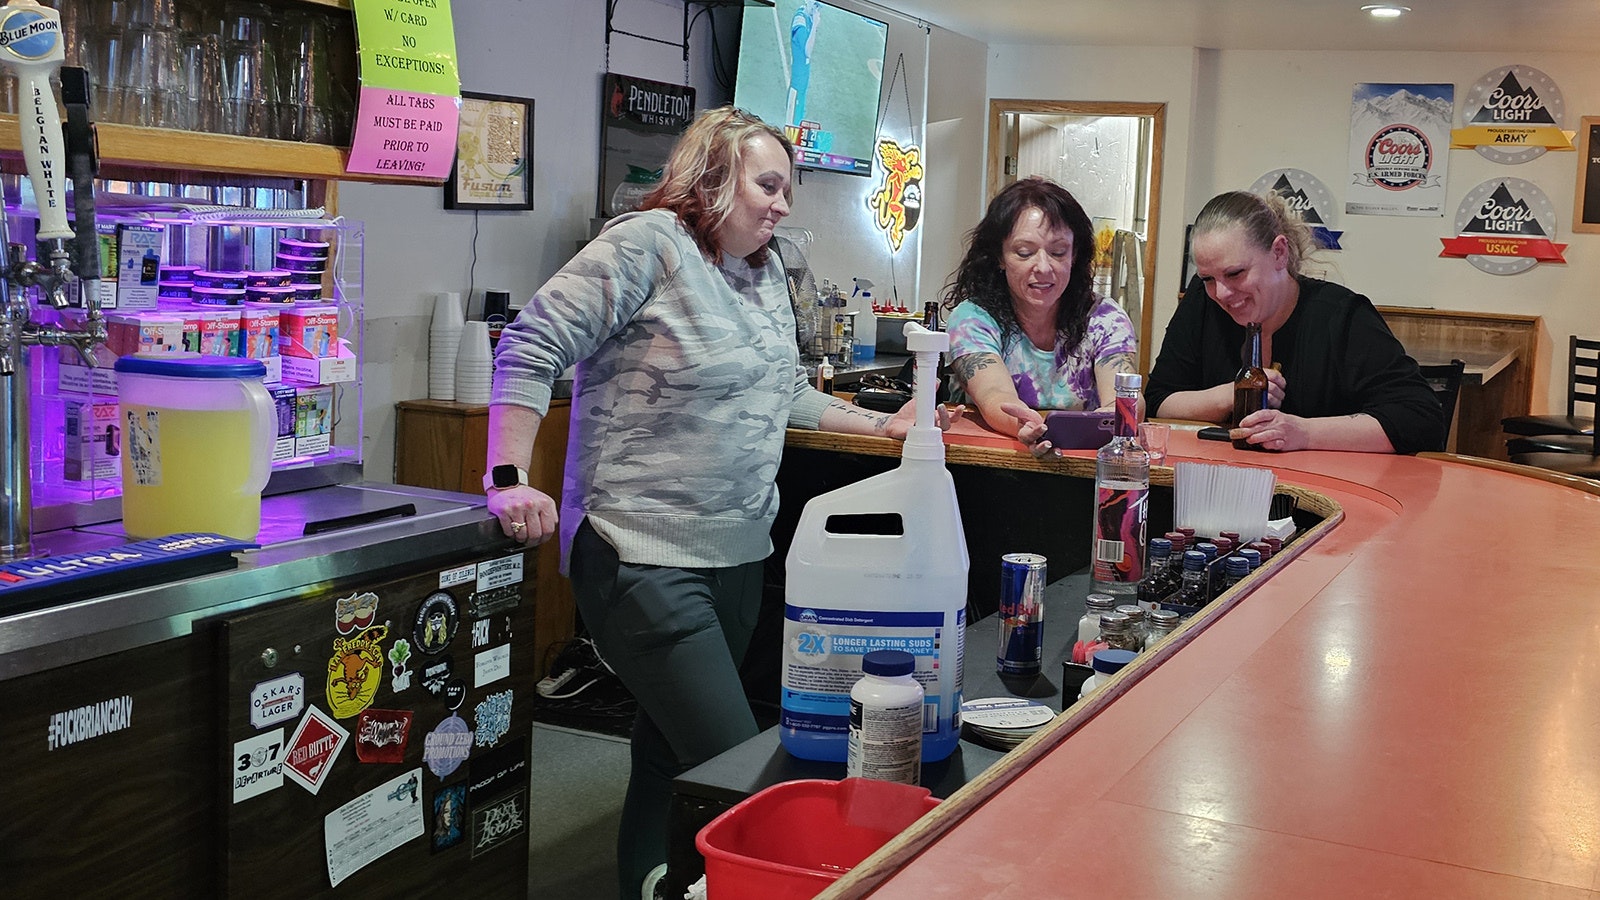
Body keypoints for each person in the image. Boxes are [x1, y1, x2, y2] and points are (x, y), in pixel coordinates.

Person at [483, 106, 958, 900]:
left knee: (673, 754)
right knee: (741, 768)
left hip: (738, 553)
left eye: (788, 191)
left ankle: (650, 885)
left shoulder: (766, 270)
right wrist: (507, 475)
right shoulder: (648, 246)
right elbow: (531, 343)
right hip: (640, 551)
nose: (781, 205)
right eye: (768, 185)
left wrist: (887, 423)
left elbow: (787, 395)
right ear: (713, 175)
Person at [1145, 190, 1444, 453]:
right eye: (1208, 278)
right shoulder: (1201, 301)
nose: (1221, 293)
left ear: (1279, 253)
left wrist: (1303, 433)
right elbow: (1158, 401)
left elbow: (1420, 420)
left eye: (1235, 273)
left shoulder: (1341, 315)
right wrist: (1230, 394)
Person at [942, 176, 1139, 451]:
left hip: (1084, 461)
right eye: (1024, 253)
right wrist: (1029, 426)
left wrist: (1113, 416)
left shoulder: (1105, 318)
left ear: (1075, 254)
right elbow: (994, 395)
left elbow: (1126, 396)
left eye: (1058, 252)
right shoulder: (973, 318)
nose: (1044, 268)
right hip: (990, 461)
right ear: (999, 256)